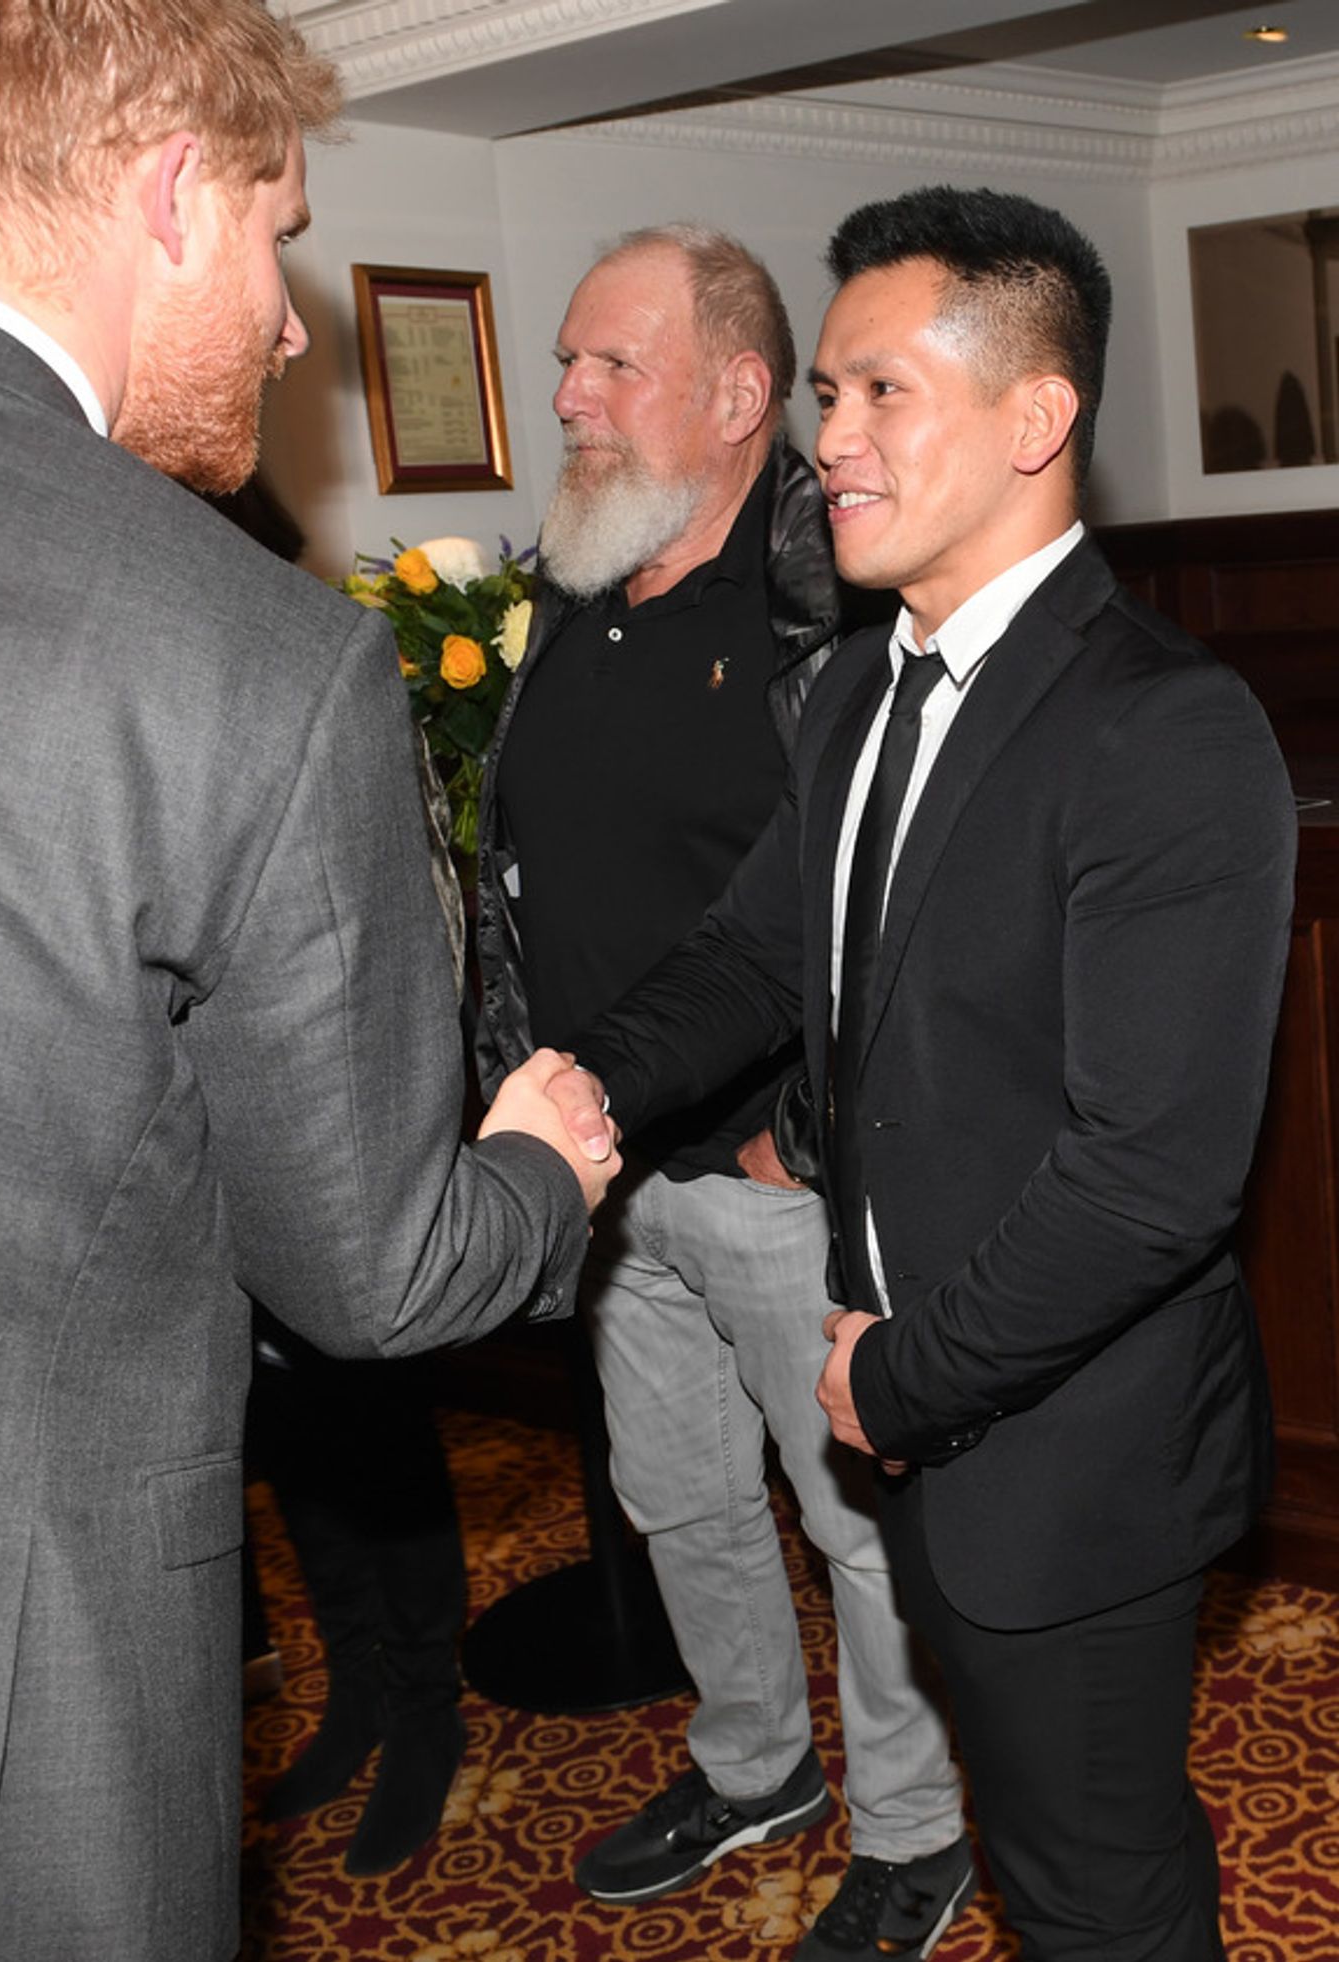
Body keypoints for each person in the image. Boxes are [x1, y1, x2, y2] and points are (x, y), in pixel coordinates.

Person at [0, 4, 617, 1958]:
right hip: (14, 1657)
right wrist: (542, 1166)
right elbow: (372, 1273)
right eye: (278, 232)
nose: (295, 324)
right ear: (171, 194)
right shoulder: (240, 650)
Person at [571, 185, 1296, 1961]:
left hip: (1068, 1448)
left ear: (1037, 418)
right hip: (918, 1422)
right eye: (828, 395)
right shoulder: (851, 694)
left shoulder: (1163, 728)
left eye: (883, 392)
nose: (832, 442)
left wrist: (899, 1379)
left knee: (1097, 1888)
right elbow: (757, 957)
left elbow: (1150, 1178)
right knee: (1058, 1843)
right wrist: (580, 1086)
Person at [476, 223, 970, 1959]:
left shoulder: (837, 617)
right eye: (568, 361)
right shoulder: (575, 589)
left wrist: (803, 1136)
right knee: (679, 1495)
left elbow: (900, 912)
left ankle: (915, 1827)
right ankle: (757, 1764)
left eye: (614, 364)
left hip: (781, 1175)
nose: (570, 396)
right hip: (611, 1174)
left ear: (743, 393)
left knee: (857, 1519)